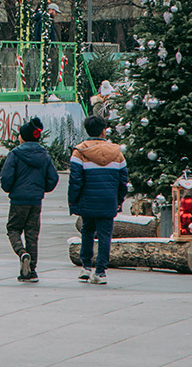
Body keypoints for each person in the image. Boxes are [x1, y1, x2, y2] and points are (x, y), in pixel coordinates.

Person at [68, 115, 128, 286]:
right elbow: (123, 180)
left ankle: (86, 267)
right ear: (103, 131)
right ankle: (101, 272)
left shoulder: (79, 152)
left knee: (87, 231)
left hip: (88, 200)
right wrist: (119, 200)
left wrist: (74, 201)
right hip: (108, 200)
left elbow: (75, 180)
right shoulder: (117, 153)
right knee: (105, 235)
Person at [0, 116, 58, 282]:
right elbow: (53, 178)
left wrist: (9, 189)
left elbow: (6, 178)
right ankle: (31, 271)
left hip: (18, 200)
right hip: (35, 200)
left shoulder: (15, 154)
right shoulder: (44, 155)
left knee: (13, 229)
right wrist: (41, 189)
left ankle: (21, 252)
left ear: (23, 137)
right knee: (32, 234)